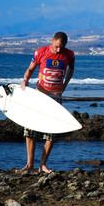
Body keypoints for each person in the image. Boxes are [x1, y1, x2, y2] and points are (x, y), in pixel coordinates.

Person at [19, 31, 75, 173]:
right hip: (39, 95)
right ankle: (30, 164)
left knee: (51, 133)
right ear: (52, 41)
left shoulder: (69, 54)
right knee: (30, 130)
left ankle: (42, 165)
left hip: (55, 97)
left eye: (61, 48)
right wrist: (25, 80)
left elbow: (71, 68)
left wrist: (65, 85)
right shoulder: (40, 52)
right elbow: (30, 70)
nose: (58, 50)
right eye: (56, 47)